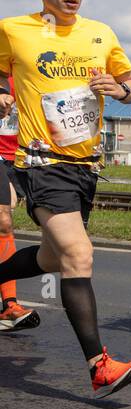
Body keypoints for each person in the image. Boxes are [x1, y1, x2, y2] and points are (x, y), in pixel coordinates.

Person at [0, 0, 131, 396]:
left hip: (86, 168)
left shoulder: (101, 34)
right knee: (79, 256)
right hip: (42, 164)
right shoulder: (13, 30)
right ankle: (100, 366)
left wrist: (119, 89)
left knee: (50, 258)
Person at [0, 75, 39, 332]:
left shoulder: (34, 65)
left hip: (28, 156)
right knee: (3, 220)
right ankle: (10, 303)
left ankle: (9, 307)